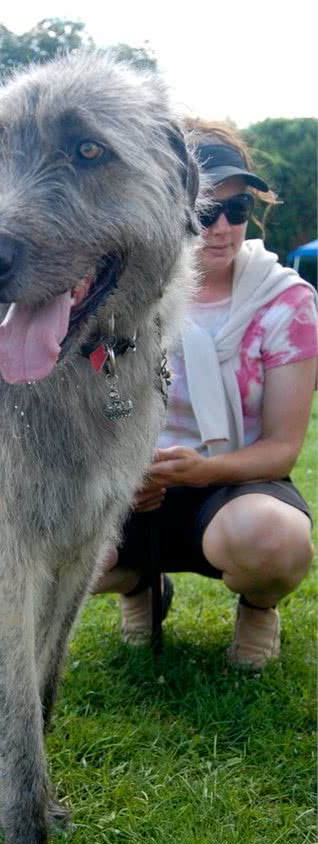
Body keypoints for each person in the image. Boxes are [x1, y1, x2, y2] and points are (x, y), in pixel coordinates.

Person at [93, 119, 318, 670]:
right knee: (58, 547)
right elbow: (105, 406)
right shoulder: (117, 300)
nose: (220, 228)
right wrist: (126, 474)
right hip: (138, 483)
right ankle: (142, 588)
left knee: (274, 539)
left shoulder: (286, 302)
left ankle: (259, 605)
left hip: (240, 483)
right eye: (203, 210)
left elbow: (282, 448)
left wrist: (201, 471)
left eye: (236, 210)